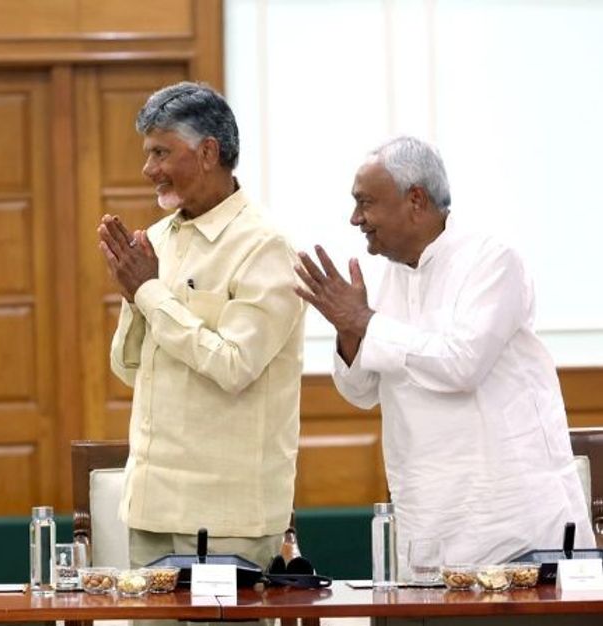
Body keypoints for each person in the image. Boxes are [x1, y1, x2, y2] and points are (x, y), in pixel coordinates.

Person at [294, 135, 593, 572]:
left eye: (366, 203)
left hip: (514, 525)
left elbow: (460, 364)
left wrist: (365, 322)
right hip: (429, 523)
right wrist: (348, 331)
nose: (355, 218)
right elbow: (361, 392)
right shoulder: (384, 276)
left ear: (415, 199)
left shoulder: (492, 260)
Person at [98, 82, 306, 576]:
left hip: (226, 515)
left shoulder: (265, 247)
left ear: (208, 152)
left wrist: (149, 293)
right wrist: (134, 296)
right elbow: (131, 370)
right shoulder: (160, 238)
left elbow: (235, 366)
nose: (149, 169)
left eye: (161, 152)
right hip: (150, 506)